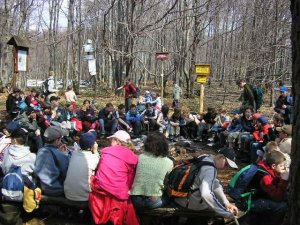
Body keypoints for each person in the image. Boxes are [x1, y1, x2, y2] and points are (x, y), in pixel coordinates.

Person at [89, 130, 139, 225]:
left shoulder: (105, 152)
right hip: (119, 194)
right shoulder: (133, 157)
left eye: (111, 140)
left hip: (101, 192)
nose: (109, 142)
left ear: (117, 141)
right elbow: (131, 181)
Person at [174, 147, 238, 219]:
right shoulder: (210, 169)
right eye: (226, 164)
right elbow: (206, 194)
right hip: (191, 204)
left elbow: (215, 184)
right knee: (214, 203)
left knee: (216, 197)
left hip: (180, 198)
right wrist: (226, 214)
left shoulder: (205, 157)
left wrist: (226, 202)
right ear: (221, 157)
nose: (226, 168)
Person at [131, 132, 173, 209]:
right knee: (170, 196)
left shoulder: (139, 157)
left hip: (135, 199)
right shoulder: (169, 162)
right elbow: (167, 182)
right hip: (154, 201)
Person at [252, 151, 289, 224]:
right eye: (281, 166)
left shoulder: (268, 168)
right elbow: (277, 197)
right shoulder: (265, 177)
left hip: (264, 197)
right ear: (273, 166)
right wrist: (284, 180)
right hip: (256, 202)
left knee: (288, 196)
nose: (284, 167)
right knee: (282, 206)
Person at [64, 130, 99, 201]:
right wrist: (95, 152)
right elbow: (99, 165)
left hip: (68, 193)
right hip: (85, 197)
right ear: (93, 145)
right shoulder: (94, 158)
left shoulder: (74, 154)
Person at [34, 126, 70, 196]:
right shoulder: (60, 155)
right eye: (60, 139)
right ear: (57, 140)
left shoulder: (40, 151)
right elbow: (66, 172)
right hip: (56, 189)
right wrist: (64, 154)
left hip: (42, 186)